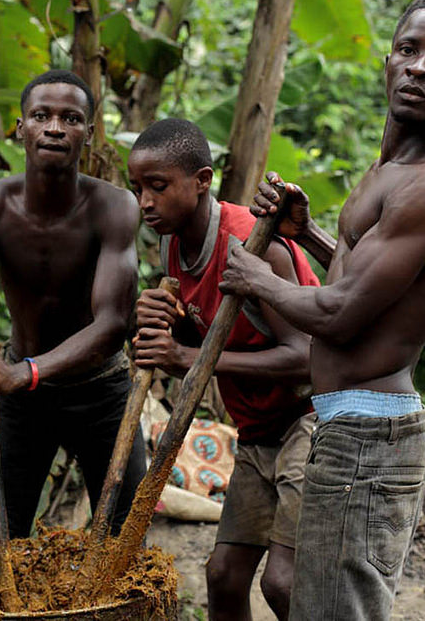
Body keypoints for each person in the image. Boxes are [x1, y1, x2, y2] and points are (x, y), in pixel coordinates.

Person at [220, 0, 425, 620]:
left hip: (370, 433)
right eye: (408, 49)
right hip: (346, 424)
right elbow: (371, 281)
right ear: (388, 63)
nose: (419, 66)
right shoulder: (391, 169)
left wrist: (255, 275)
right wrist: (305, 234)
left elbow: (339, 314)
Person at [0, 69, 145, 539]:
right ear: (20, 127)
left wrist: (23, 372)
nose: (54, 127)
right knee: (0, 543)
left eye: (70, 118)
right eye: (41, 116)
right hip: (22, 401)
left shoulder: (114, 207)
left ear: (89, 134)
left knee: (125, 545)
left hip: (102, 390)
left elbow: (112, 324)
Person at [127, 118, 319, 620]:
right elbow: (211, 329)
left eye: (158, 186)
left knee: (283, 582)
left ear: (203, 180)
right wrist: (169, 327)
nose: (145, 201)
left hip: (311, 421)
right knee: (224, 575)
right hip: (258, 430)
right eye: (137, 188)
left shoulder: (253, 245)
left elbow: (306, 359)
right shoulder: (173, 243)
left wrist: (188, 358)